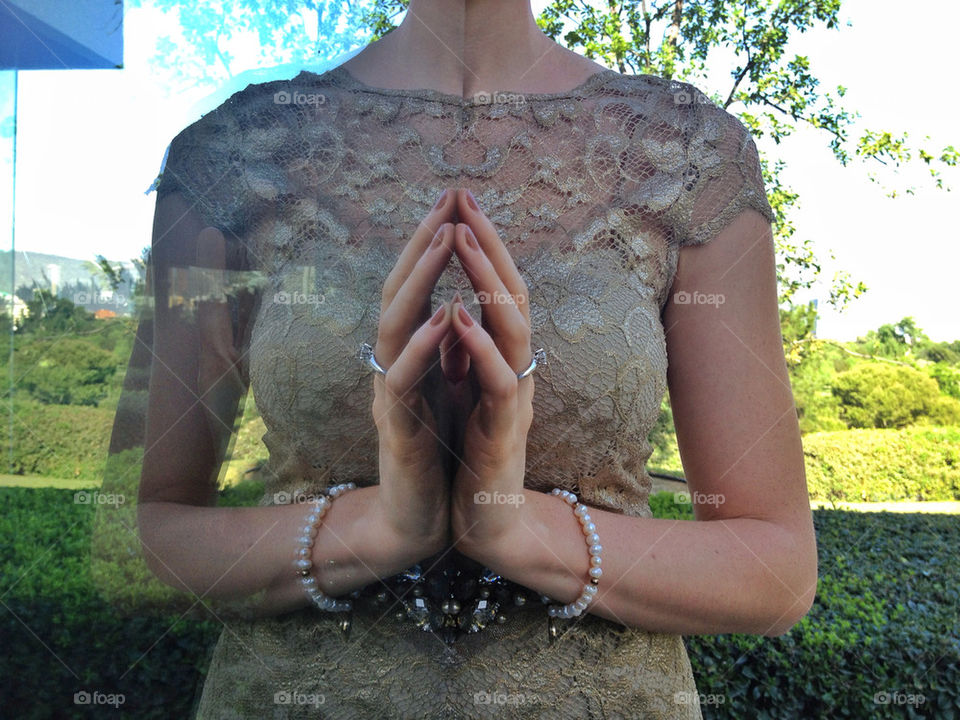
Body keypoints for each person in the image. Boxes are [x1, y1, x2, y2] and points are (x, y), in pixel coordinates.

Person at [93, 0, 818, 717]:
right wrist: (375, 529)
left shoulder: (687, 153)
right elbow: (134, 537)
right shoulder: (233, 156)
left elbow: (776, 568)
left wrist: (519, 531)